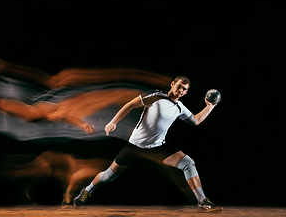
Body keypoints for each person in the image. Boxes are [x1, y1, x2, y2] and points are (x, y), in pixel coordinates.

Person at [73, 76, 222, 212]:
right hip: (135, 146)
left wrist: (210, 106)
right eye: (179, 87)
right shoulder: (156, 96)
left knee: (188, 163)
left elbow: (196, 121)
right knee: (107, 176)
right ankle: (87, 190)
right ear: (172, 84)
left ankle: (202, 201)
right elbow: (130, 105)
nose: (181, 91)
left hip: (157, 147)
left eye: (185, 89)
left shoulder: (180, 108)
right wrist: (113, 122)